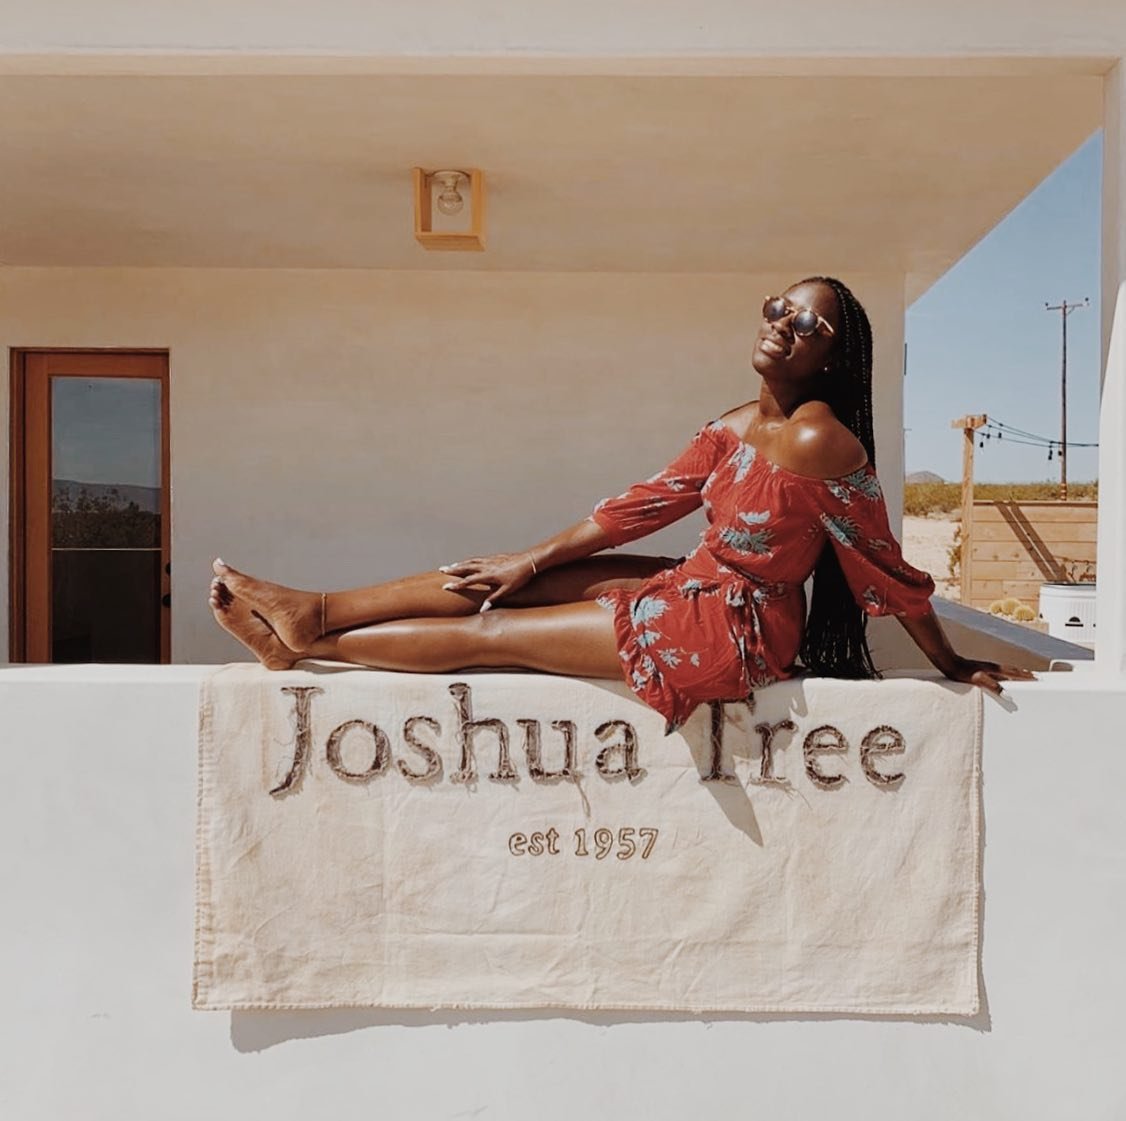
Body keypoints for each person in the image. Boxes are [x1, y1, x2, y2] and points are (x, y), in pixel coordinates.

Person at [209, 276, 1034, 731]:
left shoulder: (820, 439)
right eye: (779, 306)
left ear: (830, 361)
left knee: (497, 636)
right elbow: (642, 505)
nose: (784, 324)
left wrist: (951, 662)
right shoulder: (736, 423)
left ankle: (313, 647)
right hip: (695, 584)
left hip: (738, 627)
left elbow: (882, 567)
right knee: (512, 581)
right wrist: (529, 555)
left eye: (809, 326)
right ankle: (317, 610)